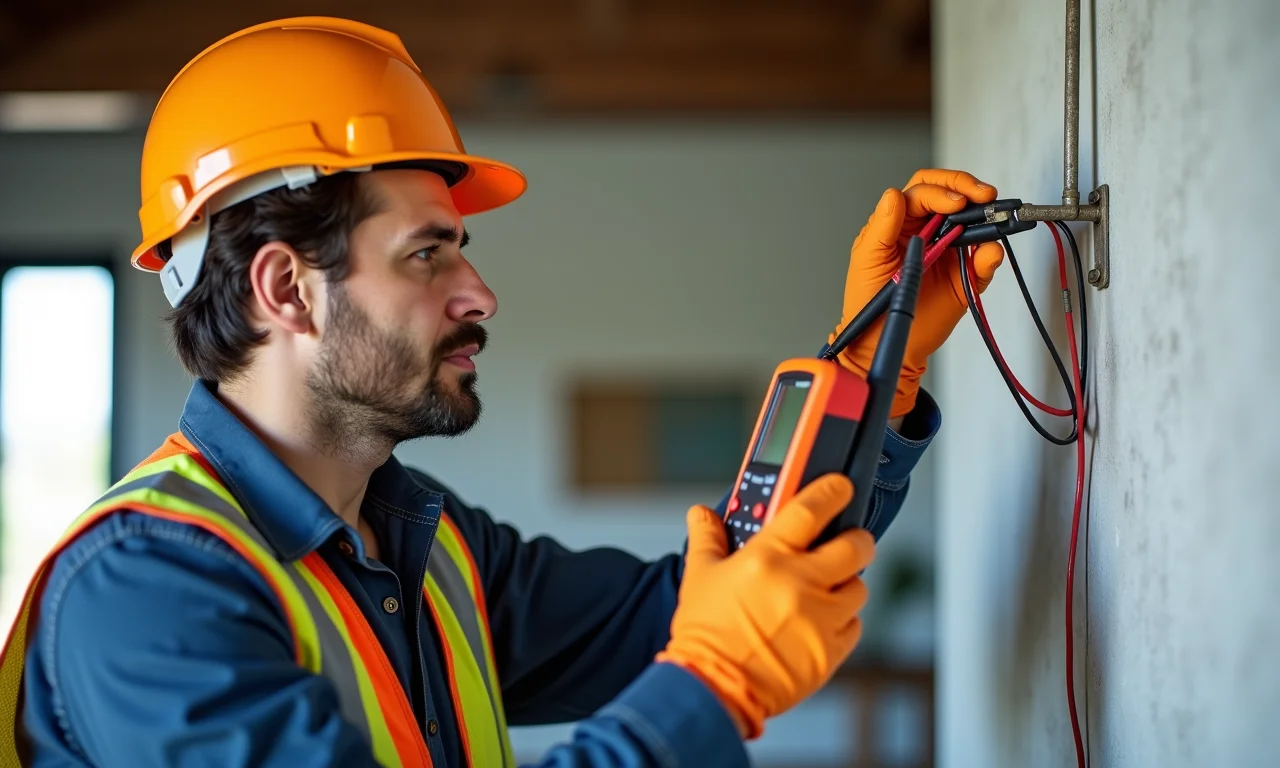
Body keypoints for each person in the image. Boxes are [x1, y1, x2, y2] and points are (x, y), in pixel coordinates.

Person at [0, 17, 1005, 768]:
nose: (477, 293)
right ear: (283, 289)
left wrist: (882, 366)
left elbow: (724, 595)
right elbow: (711, 643)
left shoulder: (430, 550)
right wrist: (712, 685)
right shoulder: (145, 591)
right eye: (425, 254)